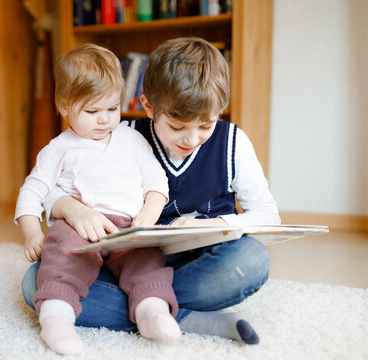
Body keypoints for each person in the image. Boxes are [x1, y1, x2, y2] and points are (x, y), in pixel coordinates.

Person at [21, 37, 280, 345]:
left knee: (251, 259)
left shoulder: (233, 143)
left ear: (220, 112)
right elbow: (51, 187)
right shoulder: (120, 135)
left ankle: (153, 304)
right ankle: (182, 316)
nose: (192, 138)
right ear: (148, 106)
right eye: (177, 126)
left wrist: (214, 225)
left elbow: (268, 215)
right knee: (33, 282)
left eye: (206, 125)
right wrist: (73, 208)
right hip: (129, 259)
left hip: (198, 264)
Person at [15, 43, 182, 355]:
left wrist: (149, 213)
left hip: (129, 226)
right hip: (78, 227)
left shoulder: (131, 139)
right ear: (64, 106)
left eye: (112, 109)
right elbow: (32, 191)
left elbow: (156, 181)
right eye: (92, 111)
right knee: (63, 259)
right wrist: (31, 232)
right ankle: (56, 318)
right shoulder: (58, 149)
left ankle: (152, 311)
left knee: (147, 261)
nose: (105, 119)